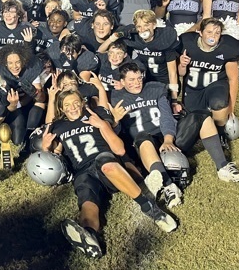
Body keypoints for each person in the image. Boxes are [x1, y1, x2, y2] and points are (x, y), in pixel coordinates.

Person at [41, 89, 177, 258]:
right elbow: (56, 155)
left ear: (82, 102)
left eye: (76, 102)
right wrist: (46, 148)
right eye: (67, 105)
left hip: (106, 162)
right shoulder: (58, 126)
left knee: (106, 164)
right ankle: (90, 235)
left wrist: (103, 125)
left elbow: (119, 150)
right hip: (82, 171)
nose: (73, 107)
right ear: (61, 108)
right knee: (87, 198)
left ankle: (150, 208)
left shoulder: (95, 114)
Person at [110, 63, 239, 207]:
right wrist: (115, 121)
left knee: (202, 116)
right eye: (131, 80)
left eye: (139, 78)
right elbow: (116, 134)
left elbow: (166, 116)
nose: (137, 83)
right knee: (142, 137)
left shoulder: (155, 89)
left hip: (168, 137)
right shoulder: (115, 97)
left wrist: (168, 139)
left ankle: (223, 167)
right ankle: (169, 187)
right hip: (146, 148)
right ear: (122, 81)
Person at [178, 18, 239, 130]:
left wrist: (230, 109)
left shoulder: (227, 47)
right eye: (209, 32)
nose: (213, 36)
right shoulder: (187, 43)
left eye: (217, 33)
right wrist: (182, 65)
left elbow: (233, 78)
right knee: (192, 122)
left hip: (215, 87)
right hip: (193, 89)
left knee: (219, 104)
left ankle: (221, 132)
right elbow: (180, 74)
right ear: (200, 32)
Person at [0, 44, 46, 161]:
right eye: (10, 63)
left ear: (24, 60)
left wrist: (34, 93)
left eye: (18, 62)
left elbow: (41, 98)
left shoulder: (32, 67)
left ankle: (29, 137)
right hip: (4, 105)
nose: (14, 66)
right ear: (4, 63)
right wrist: (11, 101)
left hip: (22, 104)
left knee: (18, 141)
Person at [120, 10, 181, 108]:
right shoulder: (133, 39)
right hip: (144, 83)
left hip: (164, 83)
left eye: (146, 25)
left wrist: (174, 99)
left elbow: (172, 72)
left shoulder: (164, 39)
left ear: (154, 25)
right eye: (139, 26)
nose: (143, 29)